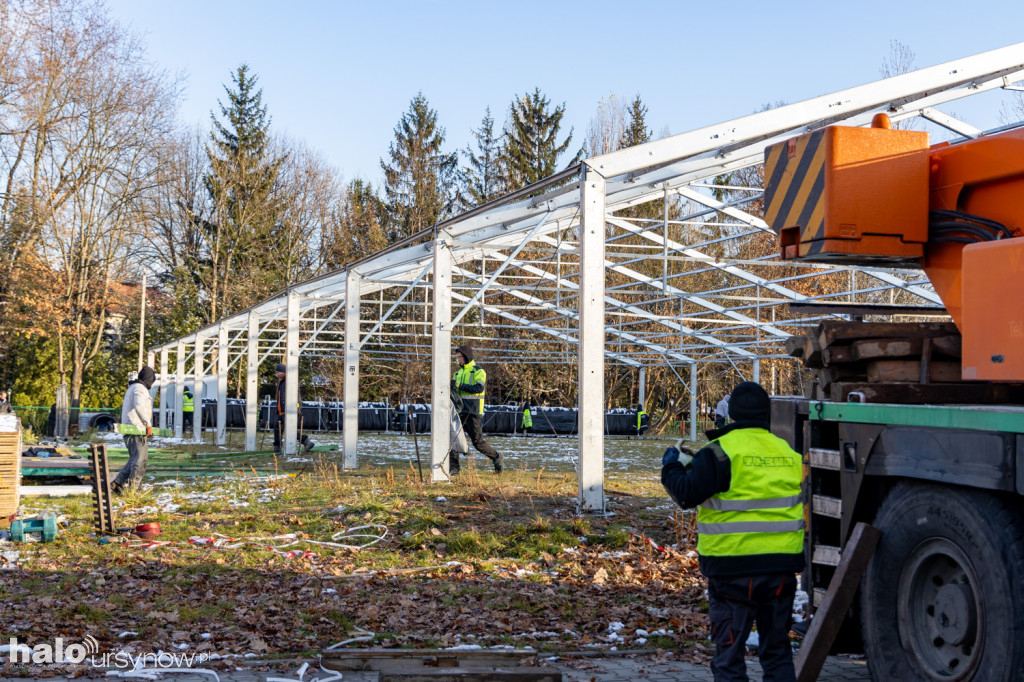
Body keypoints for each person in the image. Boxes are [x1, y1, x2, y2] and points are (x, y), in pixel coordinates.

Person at [661, 382, 804, 682]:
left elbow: (687, 494)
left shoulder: (720, 453)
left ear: (731, 415)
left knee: (729, 656)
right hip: (781, 570)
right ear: (767, 415)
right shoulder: (788, 454)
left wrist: (672, 466)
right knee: (777, 652)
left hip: (732, 571)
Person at [450, 345, 502, 474]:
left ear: (467, 357)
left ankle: (496, 457)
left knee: (477, 442)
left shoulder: (479, 371)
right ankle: (454, 467)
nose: (458, 360)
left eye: (460, 357)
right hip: (459, 411)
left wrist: (459, 385)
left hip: (473, 412)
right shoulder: (458, 373)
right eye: (457, 357)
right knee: (452, 438)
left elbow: (478, 389)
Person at [112, 367, 156, 493]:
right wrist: (147, 424)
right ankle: (133, 490)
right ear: (149, 379)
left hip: (134, 428)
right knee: (140, 461)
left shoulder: (133, 388)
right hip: (136, 429)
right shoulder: (139, 389)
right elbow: (139, 406)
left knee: (135, 458)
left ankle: (117, 483)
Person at [273, 363, 312, 455]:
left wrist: (297, 407)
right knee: (277, 429)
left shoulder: (289, 382)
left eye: (278, 372)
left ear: (283, 372)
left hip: (287, 411)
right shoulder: (282, 382)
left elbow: (296, 396)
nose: (277, 374)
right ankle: (277, 448)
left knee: (289, 430)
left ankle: (306, 442)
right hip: (280, 411)